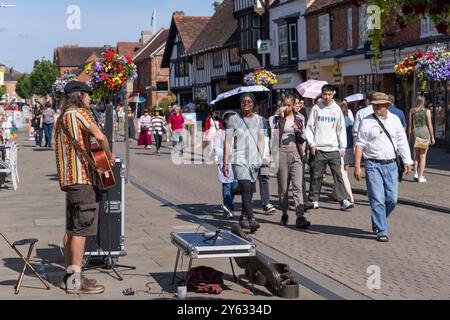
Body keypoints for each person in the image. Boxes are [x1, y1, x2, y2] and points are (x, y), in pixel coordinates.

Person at [54, 81, 116, 294]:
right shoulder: (80, 113)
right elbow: (100, 136)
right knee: (82, 230)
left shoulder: (62, 118)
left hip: (69, 181)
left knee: (72, 230)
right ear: (80, 95)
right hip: (83, 181)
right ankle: (75, 282)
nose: (90, 99)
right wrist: (108, 156)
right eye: (88, 95)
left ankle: (69, 277)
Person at [355, 92, 413, 242]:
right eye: (374, 105)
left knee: (392, 199)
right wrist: (357, 166)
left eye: (379, 105)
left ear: (386, 106)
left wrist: (408, 160)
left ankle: (378, 217)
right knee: (377, 199)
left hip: (392, 165)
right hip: (372, 164)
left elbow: (402, 141)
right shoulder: (366, 122)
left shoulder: (394, 120)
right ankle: (382, 230)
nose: (376, 108)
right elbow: (360, 144)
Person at [305, 85, 353, 211]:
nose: (326, 97)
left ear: (333, 94)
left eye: (329, 94)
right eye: (324, 94)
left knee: (338, 175)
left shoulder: (337, 109)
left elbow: (341, 128)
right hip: (319, 148)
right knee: (316, 176)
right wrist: (312, 144)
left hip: (333, 149)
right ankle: (314, 200)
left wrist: (342, 146)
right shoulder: (316, 108)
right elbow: (309, 128)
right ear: (321, 94)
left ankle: (343, 200)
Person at [223, 93, 265, 232]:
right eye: (243, 101)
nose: (246, 103)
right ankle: (252, 219)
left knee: (250, 189)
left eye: (249, 101)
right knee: (246, 186)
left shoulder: (259, 120)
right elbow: (228, 142)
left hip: (254, 159)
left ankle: (243, 218)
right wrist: (225, 162)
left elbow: (261, 139)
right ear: (240, 104)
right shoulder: (233, 120)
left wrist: (262, 156)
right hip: (239, 158)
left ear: (253, 104)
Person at [273, 96, 311, 228]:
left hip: (295, 153)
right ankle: (284, 213)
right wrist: (278, 117)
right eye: (284, 104)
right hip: (281, 153)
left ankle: (300, 217)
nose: (286, 107)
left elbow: (302, 139)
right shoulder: (276, 119)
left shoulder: (300, 119)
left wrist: (298, 131)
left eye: (288, 105)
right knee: (283, 189)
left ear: (293, 106)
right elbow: (273, 136)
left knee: (297, 187)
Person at [214, 111, 238, 219]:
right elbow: (217, 148)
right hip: (225, 162)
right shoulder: (220, 133)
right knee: (227, 186)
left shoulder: (239, 132)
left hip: (237, 162)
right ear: (225, 120)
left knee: (235, 186)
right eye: (231, 119)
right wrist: (227, 153)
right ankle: (229, 208)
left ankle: (226, 206)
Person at [331, 100, 355, 204]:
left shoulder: (338, 119)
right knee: (343, 171)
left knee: (342, 173)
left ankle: (350, 197)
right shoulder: (349, 119)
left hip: (340, 148)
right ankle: (335, 193)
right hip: (348, 148)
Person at [408, 96, 435, 183]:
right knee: (423, 156)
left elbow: (410, 124)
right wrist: (432, 136)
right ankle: (420, 176)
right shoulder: (427, 111)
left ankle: (415, 173)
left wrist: (409, 136)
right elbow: (430, 125)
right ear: (424, 102)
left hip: (415, 133)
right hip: (424, 132)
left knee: (416, 155)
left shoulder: (412, 111)